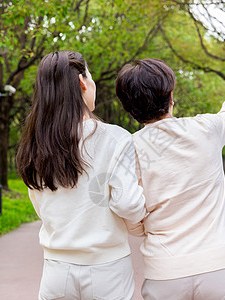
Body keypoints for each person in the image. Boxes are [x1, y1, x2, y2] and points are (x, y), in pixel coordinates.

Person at [16, 51, 146, 300]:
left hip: (56, 269)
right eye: (91, 76)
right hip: (107, 269)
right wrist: (142, 221)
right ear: (81, 82)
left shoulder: (36, 144)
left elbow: (40, 204)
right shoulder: (116, 138)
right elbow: (128, 203)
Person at [115, 58, 225, 300]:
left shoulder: (130, 149)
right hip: (220, 263)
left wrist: (142, 229)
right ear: (171, 97)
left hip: (165, 269)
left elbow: (129, 206)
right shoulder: (207, 127)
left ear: (129, 107)